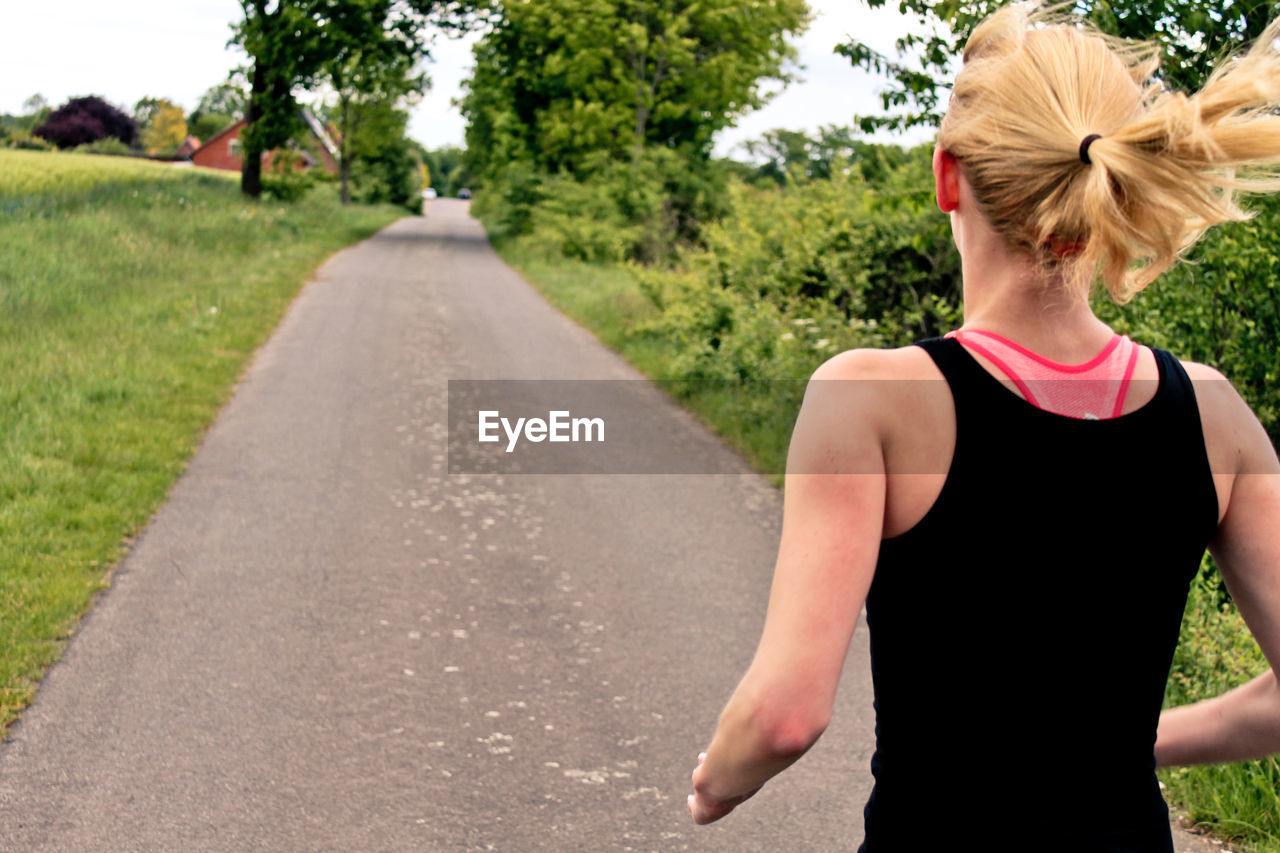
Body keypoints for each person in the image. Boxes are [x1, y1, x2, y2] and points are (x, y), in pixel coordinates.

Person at [687, 4, 1280, 850]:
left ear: (947, 177)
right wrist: (1119, 745)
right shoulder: (1213, 413)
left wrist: (714, 784)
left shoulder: (872, 398)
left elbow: (785, 716)